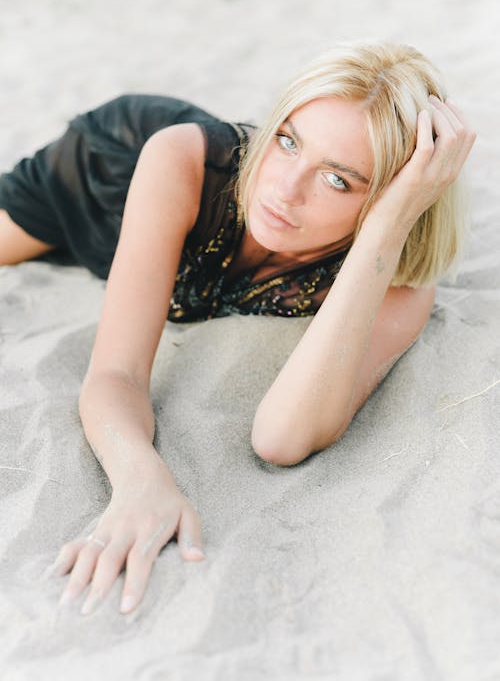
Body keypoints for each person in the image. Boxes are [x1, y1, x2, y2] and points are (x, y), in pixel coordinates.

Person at [0, 41, 476, 616]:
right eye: (288, 141)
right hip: (104, 179)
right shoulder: (185, 162)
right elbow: (116, 372)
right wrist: (139, 480)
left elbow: (281, 439)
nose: (284, 188)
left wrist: (384, 232)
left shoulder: (396, 281)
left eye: (338, 180)